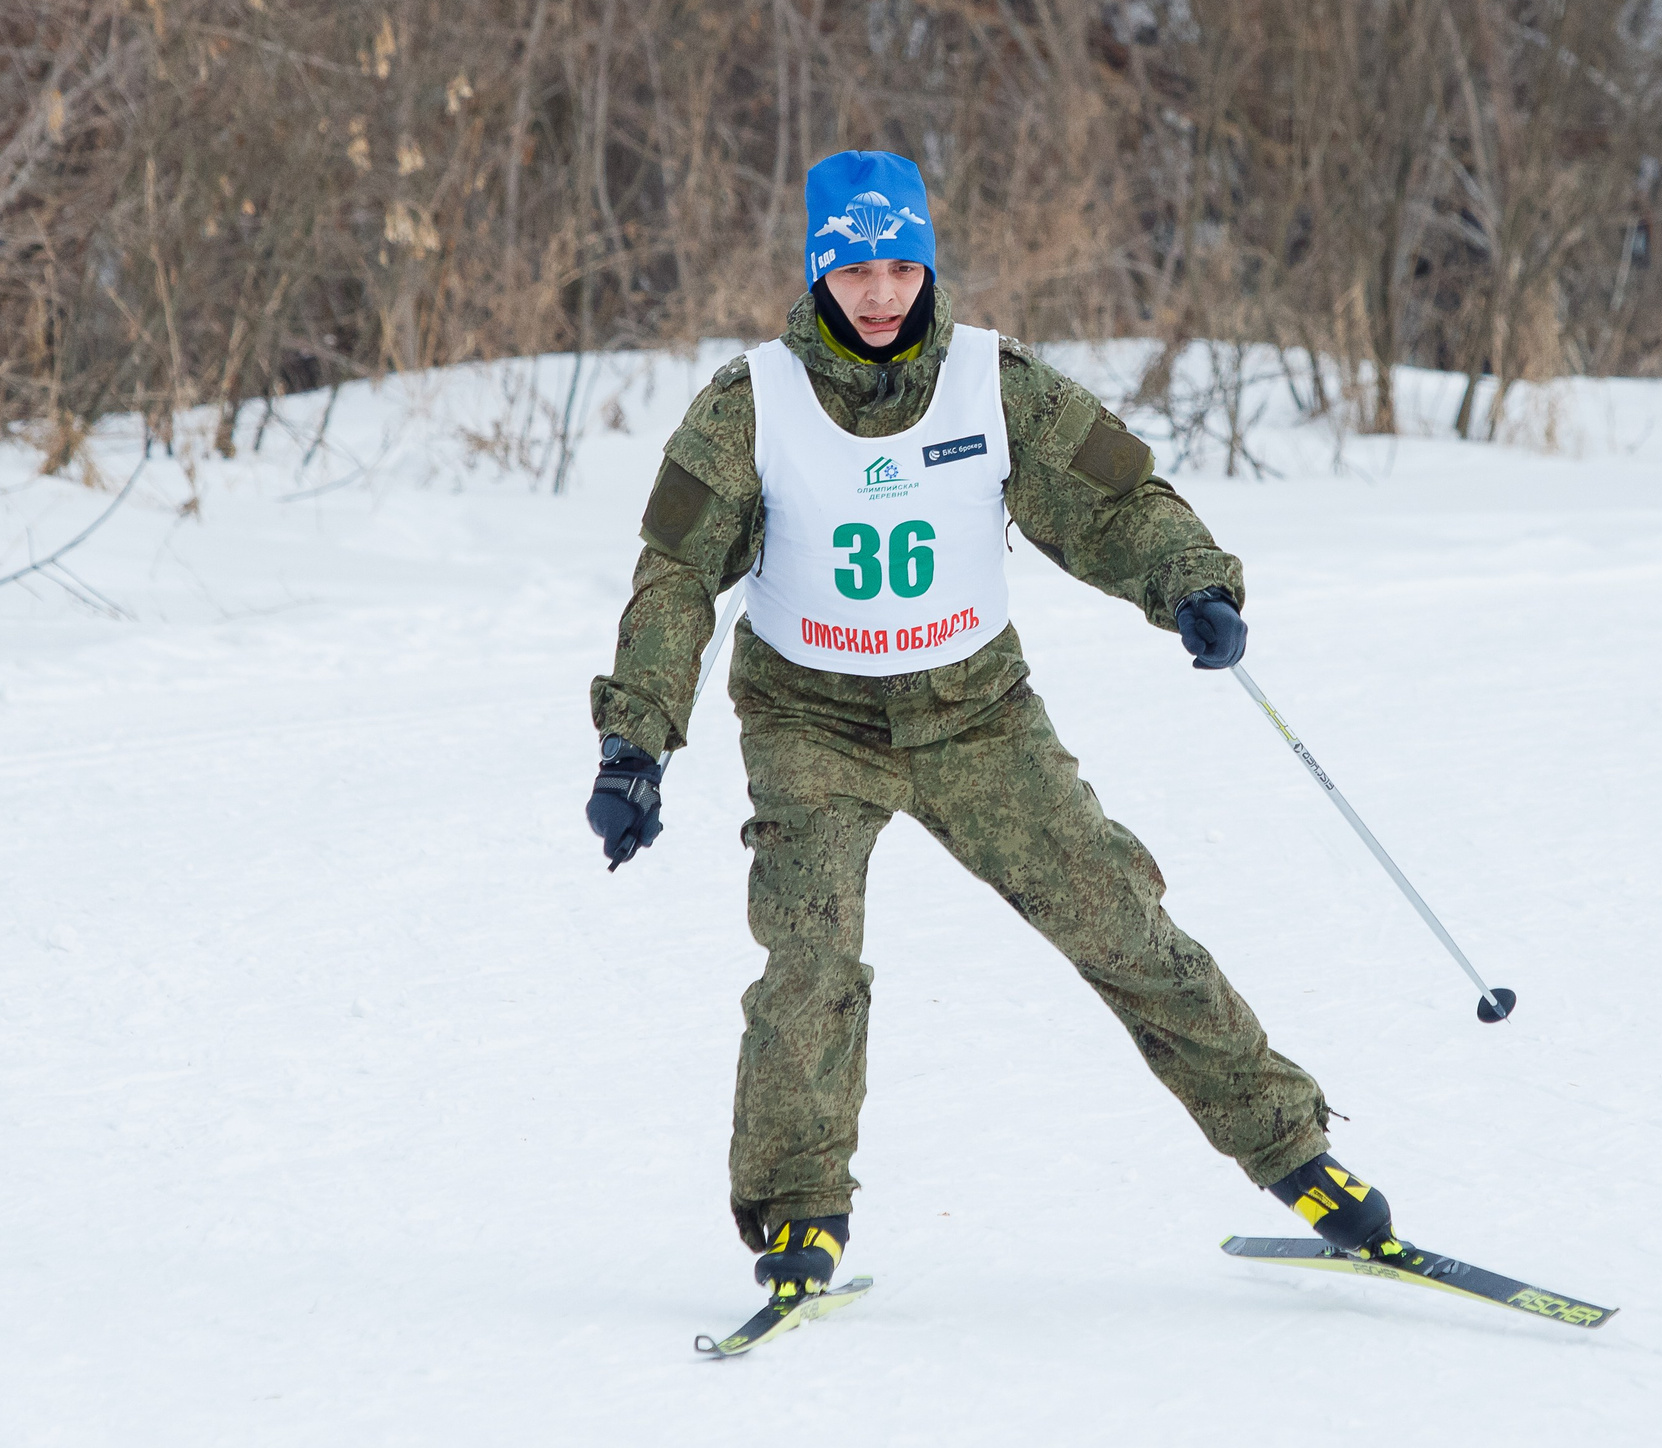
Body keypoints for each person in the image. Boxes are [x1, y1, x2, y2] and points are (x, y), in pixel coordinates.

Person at [587, 149, 1405, 1309]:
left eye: (900, 266)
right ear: (819, 273)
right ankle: (799, 1215)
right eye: (855, 269)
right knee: (809, 960)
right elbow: (674, 578)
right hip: (810, 718)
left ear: (928, 265)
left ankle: (1293, 1154)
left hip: (976, 712)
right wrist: (636, 745)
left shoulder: (994, 381)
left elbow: (1111, 500)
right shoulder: (748, 404)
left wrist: (1190, 584)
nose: (880, 294)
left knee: (1118, 920)